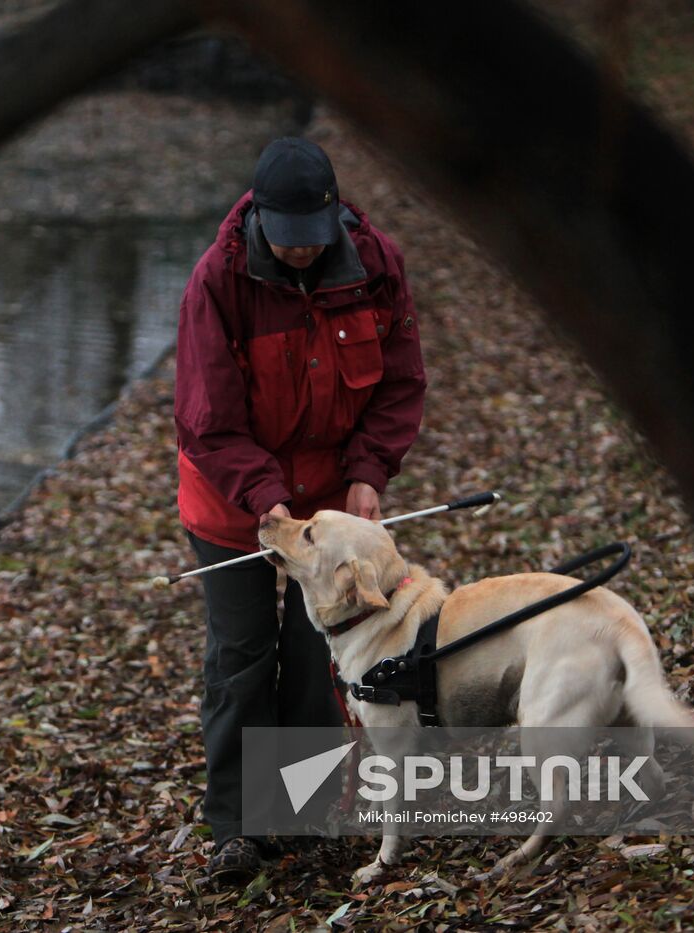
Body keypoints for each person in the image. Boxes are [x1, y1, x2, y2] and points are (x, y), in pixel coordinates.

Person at [174, 137, 428, 879]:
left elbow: (400, 385)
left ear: (333, 221)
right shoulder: (215, 282)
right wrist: (267, 500)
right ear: (260, 221)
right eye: (286, 244)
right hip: (231, 504)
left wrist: (368, 473)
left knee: (317, 660)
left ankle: (304, 813)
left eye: (311, 243)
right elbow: (208, 420)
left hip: (330, 510)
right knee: (242, 656)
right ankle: (238, 826)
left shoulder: (376, 264)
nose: (300, 256)